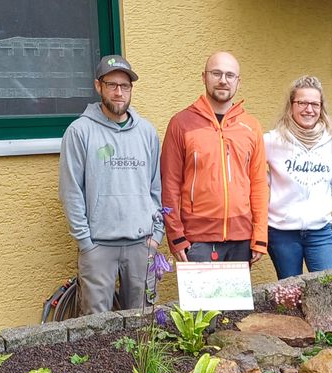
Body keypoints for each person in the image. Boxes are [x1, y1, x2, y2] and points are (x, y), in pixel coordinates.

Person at [58, 54, 163, 314]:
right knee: (96, 326)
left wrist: (156, 235)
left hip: (141, 243)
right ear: (98, 86)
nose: (119, 92)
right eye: (112, 85)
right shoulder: (80, 131)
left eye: (124, 86)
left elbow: (156, 188)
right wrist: (85, 242)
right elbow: (71, 191)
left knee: (142, 320)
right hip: (98, 245)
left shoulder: (147, 132)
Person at [161, 51, 269, 264]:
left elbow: (258, 184)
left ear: (238, 82)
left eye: (230, 75)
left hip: (241, 239)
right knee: (200, 299)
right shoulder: (181, 123)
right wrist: (176, 235)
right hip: (196, 239)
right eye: (216, 73)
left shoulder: (251, 126)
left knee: (235, 300)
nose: (223, 80)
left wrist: (260, 235)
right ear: (204, 77)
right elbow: (170, 184)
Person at [264, 75, 332, 280]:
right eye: (302, 103)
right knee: (291, 293)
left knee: (330, 287)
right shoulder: (272, 140)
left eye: (315, 104)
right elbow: (252, 173)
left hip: (320, 231)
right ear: (291, 106)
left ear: (321, 107)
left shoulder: (331, 141)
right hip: (282, 232)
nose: (309, 109)